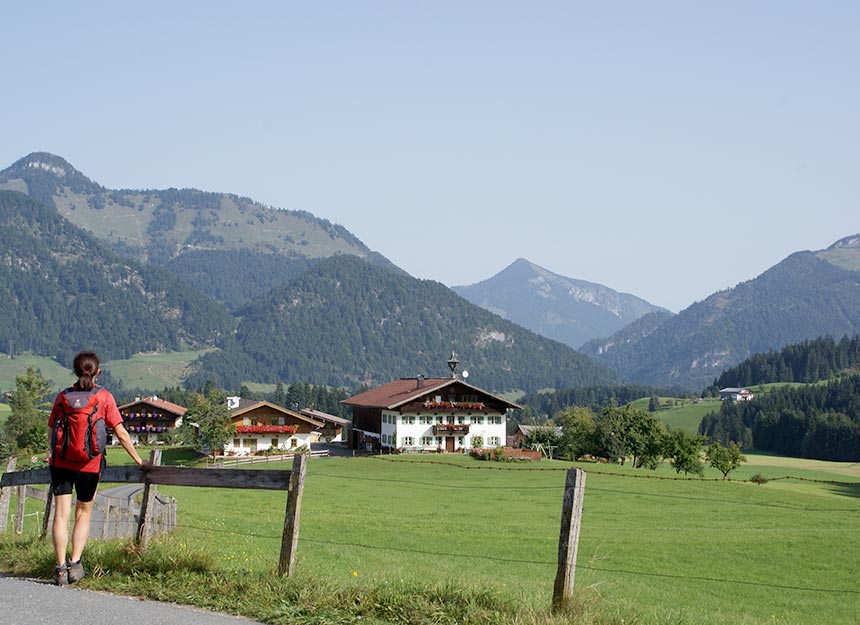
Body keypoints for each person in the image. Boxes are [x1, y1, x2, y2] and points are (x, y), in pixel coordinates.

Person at [47, 351, 144, 586]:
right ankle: (75, 564)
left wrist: (51, 454)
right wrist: (139, 460)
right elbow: (120, 433)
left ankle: (59, 570)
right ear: (97, 372)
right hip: (89, 465)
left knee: (61, 515)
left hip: (61, 464)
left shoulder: (62, 397)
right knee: (83, 513)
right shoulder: (104, 398)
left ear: (75, 371)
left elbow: (52, 431)